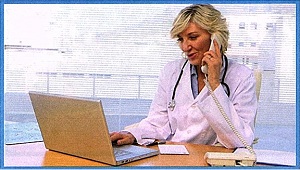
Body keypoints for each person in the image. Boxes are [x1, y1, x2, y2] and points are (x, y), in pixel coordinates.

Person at [110, 4, 257, 149]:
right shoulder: (171, 71)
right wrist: (132, 134)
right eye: (180, 39)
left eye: (192, 37)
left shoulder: (242, 77)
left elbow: (240, 140)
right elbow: (158, 122)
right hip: (173, 157)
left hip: (211, 160)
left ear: (215, 38)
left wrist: (214, 83)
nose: (185, 47)